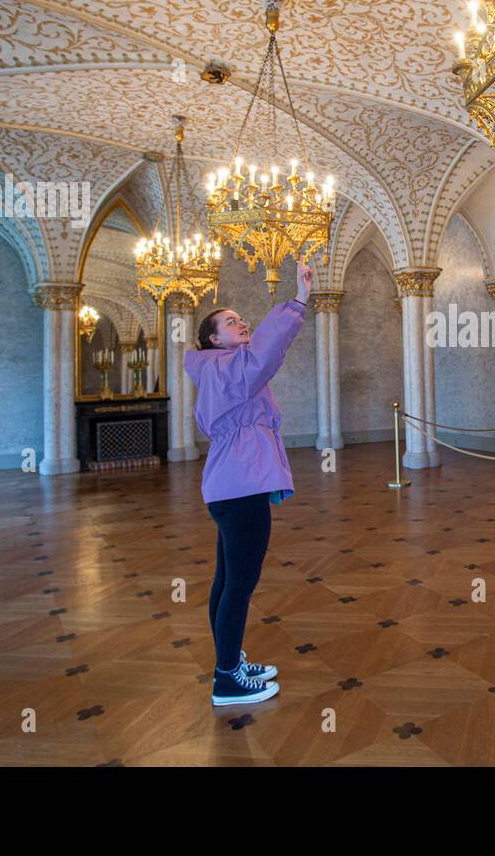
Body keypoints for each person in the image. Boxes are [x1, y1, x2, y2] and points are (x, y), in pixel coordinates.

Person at [184, 261, 312, 706]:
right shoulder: (227, 368)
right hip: (240, 488)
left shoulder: (218, 368)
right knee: (239, 585)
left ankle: (230, 662)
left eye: (242, 318)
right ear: (214, 338)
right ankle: (226, 681)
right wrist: (298, 300)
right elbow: (266, 353)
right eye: (231, 321)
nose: (243, 323)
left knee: (227, 580)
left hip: (232, 485)